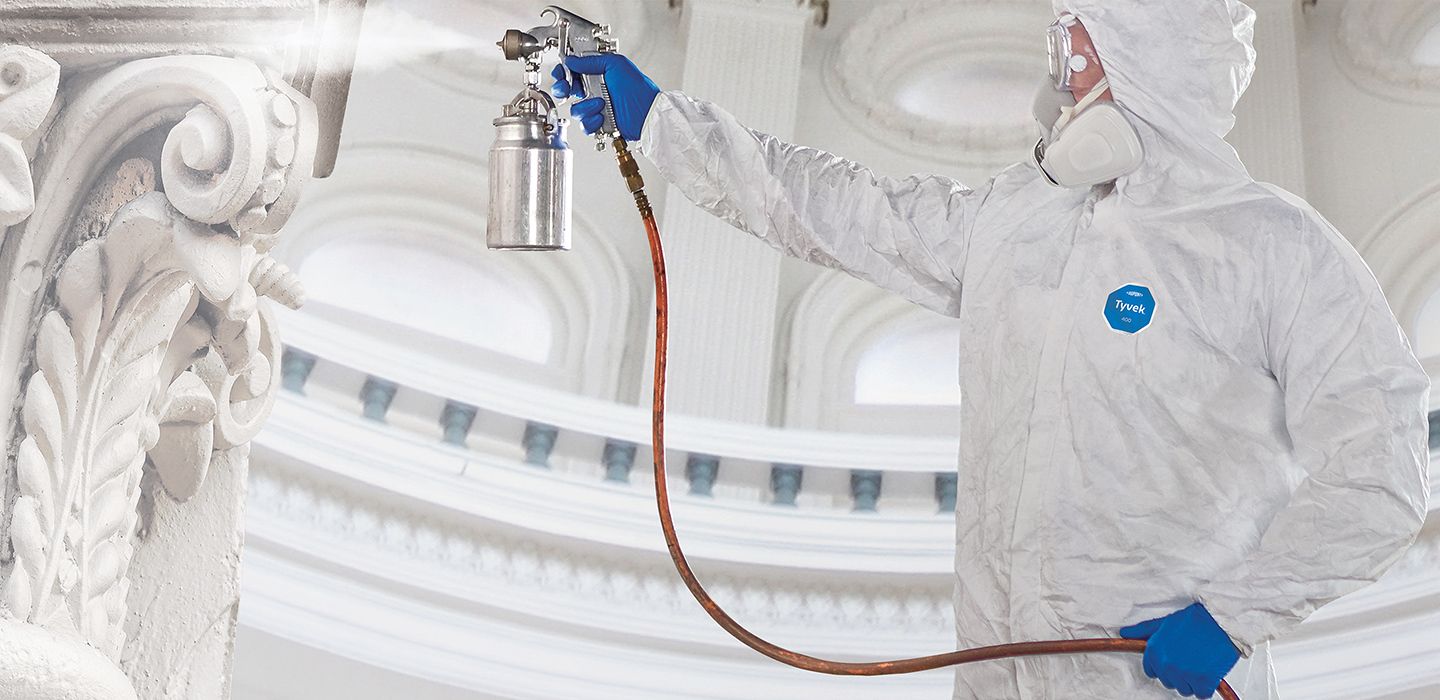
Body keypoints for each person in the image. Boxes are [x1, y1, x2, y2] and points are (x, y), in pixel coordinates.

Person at [549, 1, 1431, 698]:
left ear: (1150, 55)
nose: (1059, 73)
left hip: (1162, 686)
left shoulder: (1267, 244)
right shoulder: (1017, 224)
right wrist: (663, 120)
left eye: (1075, 44)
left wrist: (1236, 616)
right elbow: (846, 210)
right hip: (998, 675)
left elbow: (1384, 472)